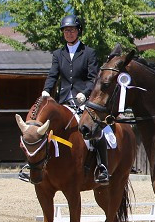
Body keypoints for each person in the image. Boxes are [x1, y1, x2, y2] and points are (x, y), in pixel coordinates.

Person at [42, 14, 110, 184]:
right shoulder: (58, 54)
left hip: (84, 101)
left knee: (95, 129)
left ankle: (102, 167)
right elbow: (53, 75)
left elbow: (93, 78)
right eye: (66, 31)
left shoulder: (88, 53)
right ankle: (35, 165)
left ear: (78, 31)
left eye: (72, 30)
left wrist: (86, 93)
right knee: (42, 127)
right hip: (63, 101)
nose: (69, 33)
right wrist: (46, 91)